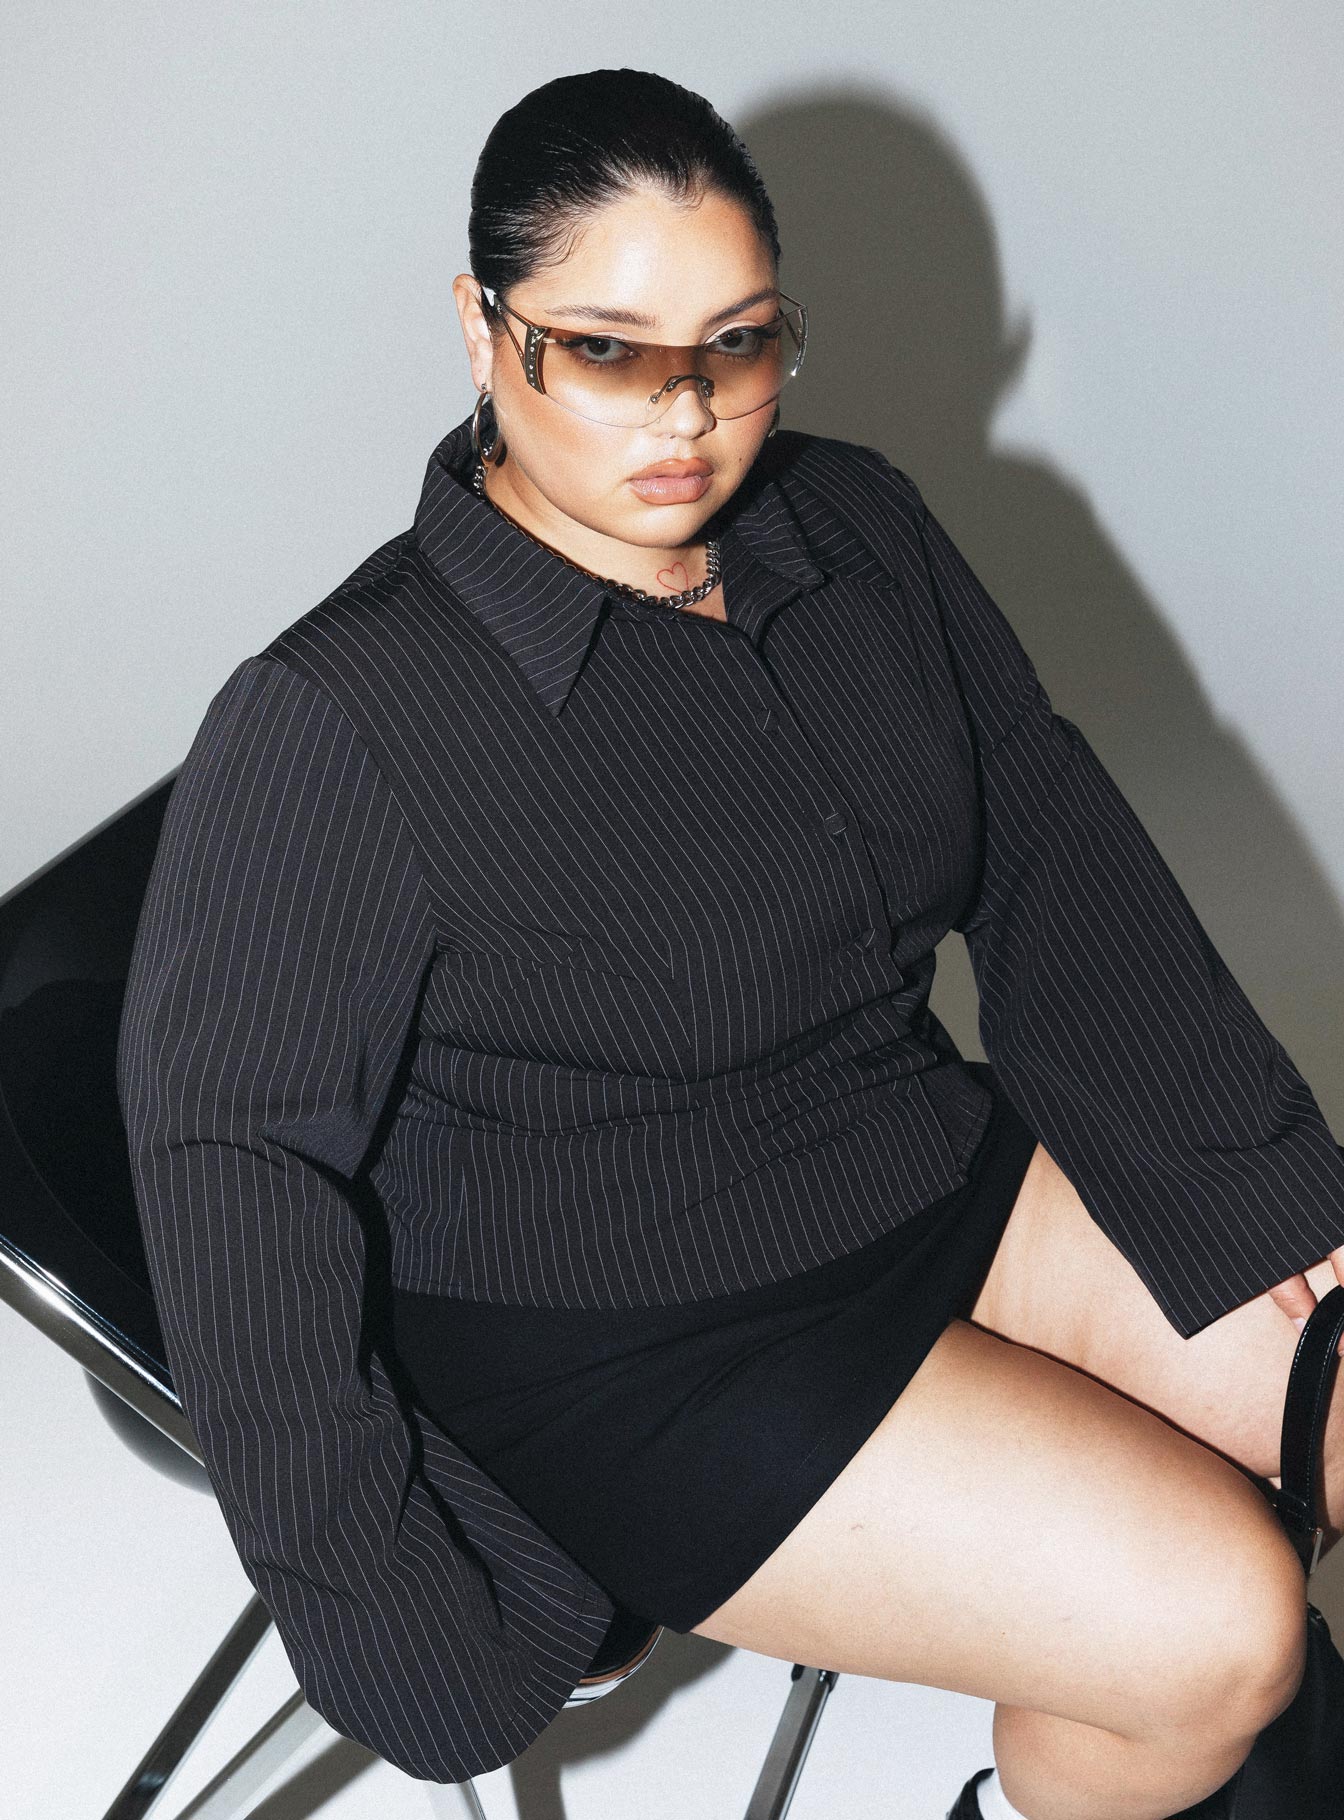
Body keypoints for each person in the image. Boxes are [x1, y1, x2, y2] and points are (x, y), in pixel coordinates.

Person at [115, 66, 1344, 1820]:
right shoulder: (338, 717)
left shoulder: (855, 531)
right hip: (632, 1341)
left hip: (911, 1166)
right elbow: (232, 1171)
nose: (684, 414)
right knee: (1223, 1625)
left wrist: (1258, 1184)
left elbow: (1048, 848)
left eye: (737, 343)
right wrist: (380, 1604)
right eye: (606, 350)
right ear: (480, 328)